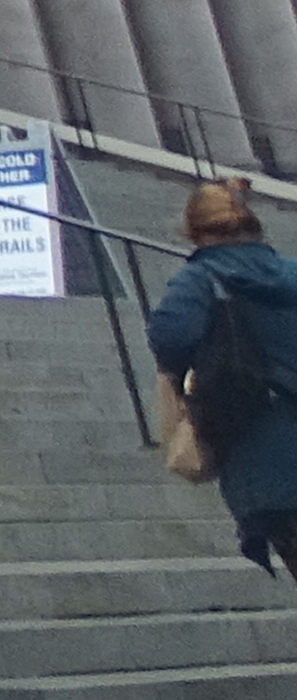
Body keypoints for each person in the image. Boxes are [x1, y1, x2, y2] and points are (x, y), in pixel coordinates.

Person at [153, 179, 297, 573]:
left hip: (267, 458)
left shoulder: (202, 278)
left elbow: (169, 337)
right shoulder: (292, 272)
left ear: (195, 233)